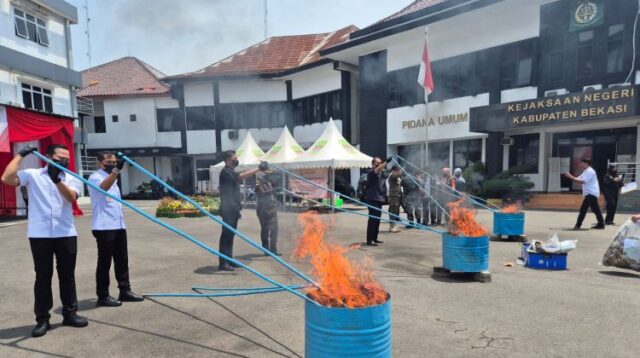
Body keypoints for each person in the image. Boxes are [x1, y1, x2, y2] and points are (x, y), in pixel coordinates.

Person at [1, 144, 88, 337]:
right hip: (40, 234)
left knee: (67, 276)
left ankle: (70, 313)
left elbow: (71, 198)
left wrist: (57, 180)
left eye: (66, 159)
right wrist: (21, 155)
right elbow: (6, 178)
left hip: (65, 232)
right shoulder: (32, 174)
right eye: (59, 158)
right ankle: (42, 319)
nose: (64, 161)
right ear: (47, 157)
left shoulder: (71, 177)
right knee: (42, 277)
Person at [88, 151, 144, 308]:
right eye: (109, 161)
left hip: (118, 225)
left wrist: (114, 173)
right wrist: (115, 171)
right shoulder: (95, 177)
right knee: (104, 262)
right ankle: (103, 295)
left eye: (114, 162)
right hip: (104, 226)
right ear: (100, 163)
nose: (113, 164)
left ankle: (125, 290)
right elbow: (104, 187)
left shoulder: (114, 177)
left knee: (122, 260)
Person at [218, 151, 265, 271]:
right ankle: (223, 263)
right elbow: (239, 177)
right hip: (228, 208)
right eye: (234, 158)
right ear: (228, 160)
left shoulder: (230, 171)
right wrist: (258, 169)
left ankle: (229, 259)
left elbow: (238, 175)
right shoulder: (225, 172)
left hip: (233, 208)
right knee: (226, 236)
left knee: (231, 235)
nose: (236, 159)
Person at [563, 158, 605, 230]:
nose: (580, 165)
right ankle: (601, 224)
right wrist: (570, 177)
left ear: (586, 163)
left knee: (583, 209)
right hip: (591, 193)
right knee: (596, 209)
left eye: (582, 163)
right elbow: (577, 179)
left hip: (591, 193)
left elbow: (582, 181)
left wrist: (570, 176)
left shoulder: (590, 171)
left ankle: (578, 225)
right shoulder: (586, 171)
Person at [255, 162, 280, 255]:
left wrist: (275, 187)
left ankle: (273, 249)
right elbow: (263, 192)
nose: (267, 174)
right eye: (265, 173)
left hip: (272, 207)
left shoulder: (269, 182)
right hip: (262, 209)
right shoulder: (258, 184)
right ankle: (266, 250)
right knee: (265, 229)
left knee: (274, 229)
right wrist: (274, 189)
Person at [365, 157, 391, 246]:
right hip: (372, 199)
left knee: (377, 220)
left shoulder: (380, 174)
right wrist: (386, 162)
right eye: (377, 163)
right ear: (373, 164)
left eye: (380, 163)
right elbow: (378, 169)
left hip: (379, 199)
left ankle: (375, 238)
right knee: (372, 220)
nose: (379, 164)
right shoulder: (372, 172)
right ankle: (369, 240)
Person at [387, 165, 403, 233]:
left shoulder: (395, 175)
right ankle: (391, 227)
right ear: (394, 170)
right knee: (392, 211)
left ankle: (394, 225)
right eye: (398, 169)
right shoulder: (392, 175)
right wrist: (403, 169)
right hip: (393, 196)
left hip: (397, 195)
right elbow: (398, 174)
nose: (398, 171)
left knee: (395, 211)